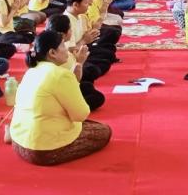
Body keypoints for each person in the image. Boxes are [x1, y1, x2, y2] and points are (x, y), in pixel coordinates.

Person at [9, 30, 111, 166]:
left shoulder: (31, 71)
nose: (67, 51)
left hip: (19, 142)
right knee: (103, 131)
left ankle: (9, 134)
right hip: (42, 151)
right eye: (63, 46)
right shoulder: (60, 74)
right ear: (52, 53)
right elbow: (81, 115)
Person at [46, 15, 105, 109]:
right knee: (97, 97)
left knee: (87, 85)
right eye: (70, 29)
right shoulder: (60, 53)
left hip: (62, 84)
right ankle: (64, 108)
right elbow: (72, 82)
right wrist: (79, 62)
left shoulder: (54, 46)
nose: (71, 31)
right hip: (57, 93)